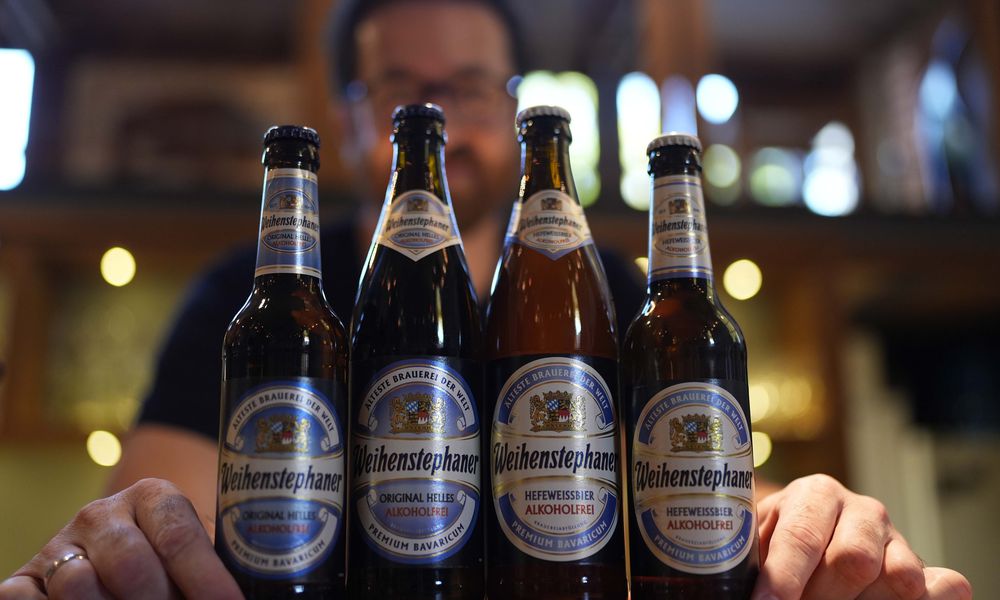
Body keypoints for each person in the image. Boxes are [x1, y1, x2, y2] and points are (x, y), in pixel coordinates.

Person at [0, 1, 973, 599]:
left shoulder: (615, 292)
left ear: (512, 113)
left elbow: (709, 504)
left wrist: (814, 530)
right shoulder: (251, 293)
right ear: (349, 120)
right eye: (398, 92)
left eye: (466, 91)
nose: (441, 125)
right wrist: (125, 541)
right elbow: (171, 505)